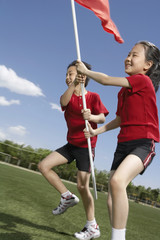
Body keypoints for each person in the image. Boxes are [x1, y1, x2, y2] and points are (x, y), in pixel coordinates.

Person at [76, 41, 160, 240]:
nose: (128, 58)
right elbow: (120, 120)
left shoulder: (143, 81)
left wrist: (85, 72)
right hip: (123, 145)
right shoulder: (123, 92)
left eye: (134, 55)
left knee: (117, 181)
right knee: (112, 196)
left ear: (147, 65)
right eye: (128, 54)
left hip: (143, 142)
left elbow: (104, 80)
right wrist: (97, 132)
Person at [38, 60, 109, 240]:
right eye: (67, 74)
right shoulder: (68, 97)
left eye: (71, 73)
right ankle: (66, 197)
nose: (67, 77)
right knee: (44, 166)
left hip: (86, 146)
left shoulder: (93, 97)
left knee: (82, 186)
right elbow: (63, 101)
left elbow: (101, 118)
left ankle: (92, 226)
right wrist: (74, 84)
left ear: (82, 76)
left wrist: (90, 116)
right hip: (71, 145)